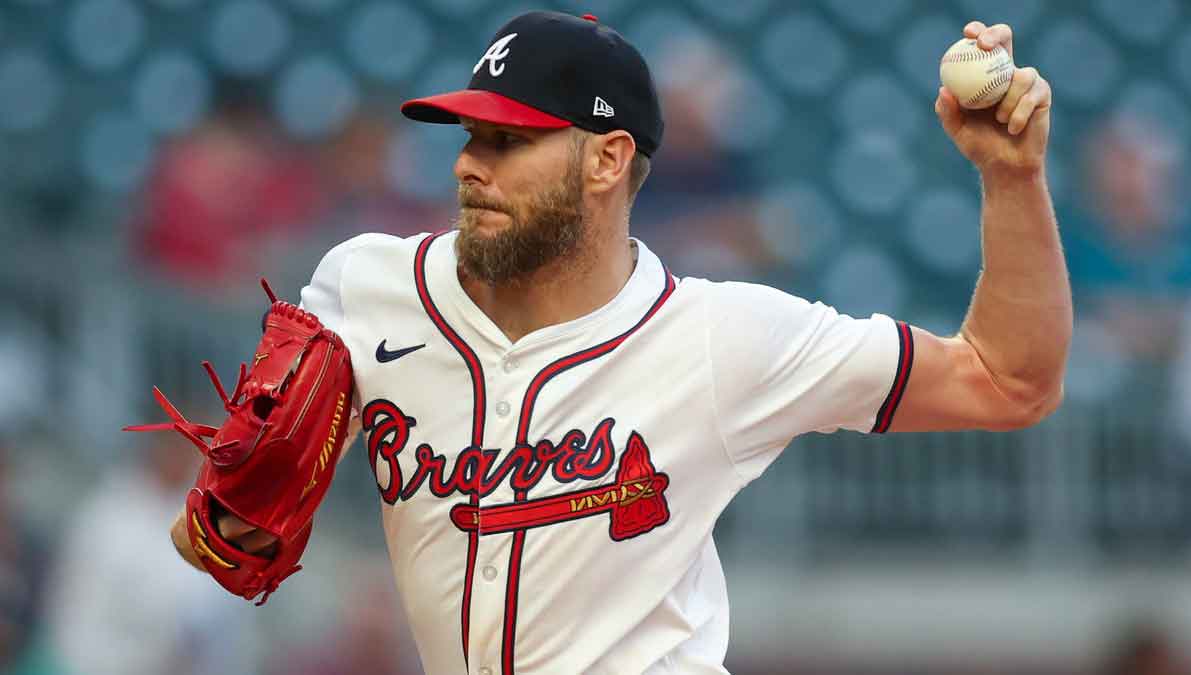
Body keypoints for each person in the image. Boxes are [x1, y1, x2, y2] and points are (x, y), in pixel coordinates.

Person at [172, 12, 1069, 674]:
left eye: (509, 139)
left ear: (607, 159)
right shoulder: (365, 286)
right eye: (468, 134)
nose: (467, 162)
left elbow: (1006, 379)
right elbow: (213, 538)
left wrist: (1012, 177)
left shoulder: (722, 336)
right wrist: (228, 518)